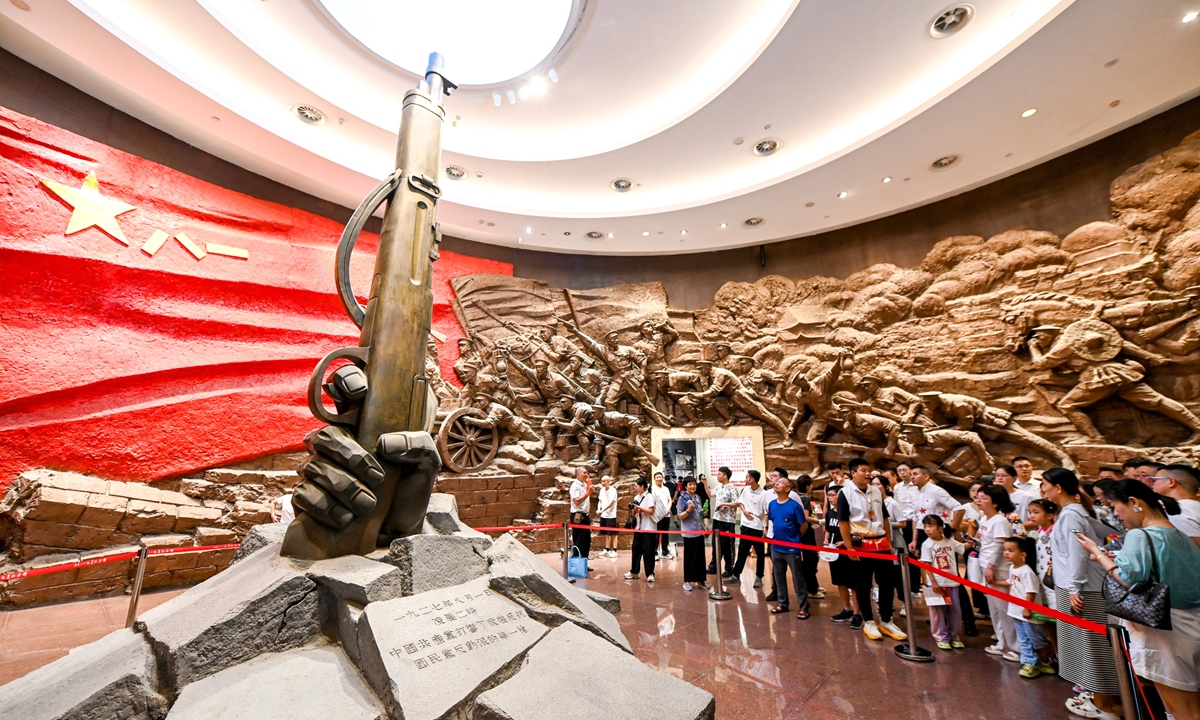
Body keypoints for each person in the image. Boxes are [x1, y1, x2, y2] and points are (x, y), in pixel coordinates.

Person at [1074, 479, 1200, 720]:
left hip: (1165, 629)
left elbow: (1129, 578)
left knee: (1182, 709)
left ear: (1134, 502)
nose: (1116, 515)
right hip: (1191, 622)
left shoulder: (1140, 535)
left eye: (1114, 506)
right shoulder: (1180, 535)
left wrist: (1098, 554)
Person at [1042, 467, 1124, 720]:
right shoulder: (1075, 512)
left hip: (1081, 589)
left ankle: (1104, 705)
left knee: (1091, 646)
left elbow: (1078, 553)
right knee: (1087, 644)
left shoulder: (1070, 516)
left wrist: (1075, 587)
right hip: (1081, 585)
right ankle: (1101, 697)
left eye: (1044, 484)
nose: (1042, 489)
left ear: (1059, 488)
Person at [838, 458, 906, 641]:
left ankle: (886, 620)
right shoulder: (845, 493)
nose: (868, 474)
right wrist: (850, 548)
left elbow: (884, 517)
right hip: (861, 544)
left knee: (886, 583)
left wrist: (889, 542)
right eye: (863, 470)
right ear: (853, 473)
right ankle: (868, 620)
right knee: (863, 585)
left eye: (869, 470)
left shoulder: (875, 490)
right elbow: (843, 522)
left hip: (881, 543)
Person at [972, 483, 1019, 661]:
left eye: (984, 498)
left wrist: (991, 566)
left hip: (998, 569)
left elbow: (1000, 547)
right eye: (978, 497)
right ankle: (1002, 643)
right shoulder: (985, 519)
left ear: (996, 502)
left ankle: (1016, 647)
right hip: (986, 565)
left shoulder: (999, 521)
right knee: (995, 610)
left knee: (1005, 609)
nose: (979, 501)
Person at [1004, 535, 1056, 678]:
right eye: (1005, 550)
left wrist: (1027, 608)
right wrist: (994, 582)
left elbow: (1031, 591)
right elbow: (1011, 583)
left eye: (1010, 550)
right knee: (1023, 639)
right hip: (1016, 611)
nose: (1006, 553)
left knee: (1037, 639)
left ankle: (1044, 662)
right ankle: (1030, 663)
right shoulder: (1012, 568)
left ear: (1023, 555)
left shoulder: (1027, 571)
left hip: (1029, 614)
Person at [766, 474, 810, 619]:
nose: (777, 483)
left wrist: (795, 539)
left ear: (788, 488)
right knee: (778, 576)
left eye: (781, 482)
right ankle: (783, 603)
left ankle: (804, 606)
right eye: (776, 482)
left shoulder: (794, 506)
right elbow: (772, 520)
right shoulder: (772, 504)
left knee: (798, 578)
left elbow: (803, 526)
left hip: (792, 548)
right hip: (776, 546)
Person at [919, 514, 966, 650]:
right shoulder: (927, 544)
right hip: (937, 583)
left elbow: (963, 547)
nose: (927, 529)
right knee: (938, 612)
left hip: (952, 582)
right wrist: (933, 582)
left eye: (930, 526)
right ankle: (941, 637)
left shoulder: (949, 541)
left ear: (940, 528)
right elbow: (927, 564)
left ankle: (954, 636)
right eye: (925, 526)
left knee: (955, 611)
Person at [1027, 498, 1059, 661]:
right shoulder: (1040, 531)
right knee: (1046, 617)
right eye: (1030, 512)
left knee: (1058, 618)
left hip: (1054, 582)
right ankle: (1056, 650)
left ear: (1050, 515)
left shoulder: (1055, 533)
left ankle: (1065, 654)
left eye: (1036, 512)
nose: (1031, 516)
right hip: (1042, 581)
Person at [823, 479, 858, 623]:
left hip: (848, 552)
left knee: (853, 583)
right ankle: (846, 608)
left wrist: (845, 542)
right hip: (834, 553)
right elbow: (828, 530)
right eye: (829, 495)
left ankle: (857, 613)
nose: (830, 498)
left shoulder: (850, 513)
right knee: (840, 581)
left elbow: (857, 532)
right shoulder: (830, 513)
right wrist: (826, 541)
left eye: (833, 495)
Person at [730, 469, 767, 587]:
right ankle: (736, 575)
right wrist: (744, 511)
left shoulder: (764, 494)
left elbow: (766, 512)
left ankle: (759, 577)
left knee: (760, 553)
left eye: (747, 477)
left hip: (757, 527)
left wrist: (765, 527)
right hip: (745, 526)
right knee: (742, 551)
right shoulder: (745, 490)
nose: (745, 480)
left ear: (752, 479)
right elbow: (740, 502)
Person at [1150, 464, 1200, 546]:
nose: (1152, 486)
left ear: (1170, 482)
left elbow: (1191, 549)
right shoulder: (1194, 506)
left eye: (1154, 481)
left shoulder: (1179, 510)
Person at [677, 477, 709, 591]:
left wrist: (703, 514)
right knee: (690, 558)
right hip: (689, 533)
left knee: (700, 558)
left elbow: (700, 513)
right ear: (685, 486)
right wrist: (689, 510)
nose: (692, 486)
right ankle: (687, 581)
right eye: (689, 484)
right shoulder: (682, 498)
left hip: (699, 532)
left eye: (694, 484)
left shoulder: (698, 497)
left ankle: (700, 580)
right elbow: (680, 516)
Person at [794, 474, 823, 598]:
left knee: (808, 560)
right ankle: (811, 589)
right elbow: (805, 517)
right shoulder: (804, 499)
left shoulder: (794, 496)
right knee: (811, 560)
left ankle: (813, 585)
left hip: (797, 531)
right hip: (805, 532)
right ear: (807, 486)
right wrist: (820, 521)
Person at [625, 477, 658, 583]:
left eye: (636, 486)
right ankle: (634, 571)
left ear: (642, 486)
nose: (635, 488)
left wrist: (639, 507)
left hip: (648, 528)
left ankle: (650, 573)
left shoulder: (649, 496)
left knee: (648, 552)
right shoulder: (637, 496)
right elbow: (636, 511)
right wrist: (633, 509)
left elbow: (651, 511)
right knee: (636, 550)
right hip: (638, 528)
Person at [710, 466, 740, 577]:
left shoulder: (732, 487)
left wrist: (723, 504)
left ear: (725, 475)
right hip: (717, 519)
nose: (717, 476)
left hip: (728, 521)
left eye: (719, 474)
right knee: (715, 544)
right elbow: (711, 494)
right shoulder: (719, 487)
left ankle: (729, 568)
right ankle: (714, 566)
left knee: (728, 545)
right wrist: (704, 483)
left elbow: (737, 503)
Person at [994, 464, 1035, 531]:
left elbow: (1035, 522)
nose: (1000, 478)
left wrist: (1015, 526)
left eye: (1004, 475)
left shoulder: (1026, 496)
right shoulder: (992, 495)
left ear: (1014, 478)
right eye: (997, 475)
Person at [569, 467, 593, 567]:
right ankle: (577, 564)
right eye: (584, 473)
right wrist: (587, 494)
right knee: (579, 540)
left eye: (587, 472)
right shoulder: (575, 486)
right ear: (578, 475)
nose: (586, 474)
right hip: (578, 516)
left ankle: (584, 564)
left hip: (585, 515)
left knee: (587, 540)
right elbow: (577, 501)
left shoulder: (584, 484)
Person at [652, 472, 675, 559]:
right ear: (654, 479)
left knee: (665, 534)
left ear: (662, 478)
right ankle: (655, 553)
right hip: (657, 515)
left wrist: (668, 509)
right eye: (657, 477)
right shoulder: (652, 489)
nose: (659, 479)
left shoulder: (666, 489)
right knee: (656, 534)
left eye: (660, 477)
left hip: (666, 514)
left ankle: (665, 552)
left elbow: (670, 500)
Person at [597, 475, 619, 557]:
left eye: (604, 481)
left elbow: (611, 503)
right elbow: (600, 501)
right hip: (604, 515)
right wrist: (599, 509)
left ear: (608, 482)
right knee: (606, 533)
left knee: (613, 533)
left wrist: (602, 510)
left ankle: (615, 550)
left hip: (611, 515)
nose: (603, 483)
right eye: (602, 481)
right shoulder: (602, 490)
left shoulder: (613, 490)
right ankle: (607, 549)